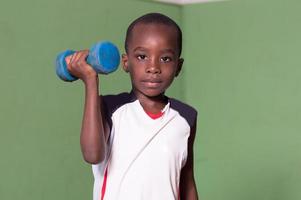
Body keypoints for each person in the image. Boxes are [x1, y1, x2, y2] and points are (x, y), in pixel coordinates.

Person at [66, 13, 198, 200]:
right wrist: (90, 80)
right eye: (142, 56)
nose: (153, 67)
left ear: (178, 66)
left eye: (166, 59)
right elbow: (92, 155)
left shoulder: (186, 117)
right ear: (126, 62)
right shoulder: (109, 108)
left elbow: (186, 181)